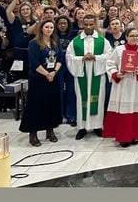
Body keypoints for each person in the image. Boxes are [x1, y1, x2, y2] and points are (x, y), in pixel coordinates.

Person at [103, 27, 138, 147]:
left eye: (137, 36)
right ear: (126, 37)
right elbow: (110, 64)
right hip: (122, 85)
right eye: (132, 36)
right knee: (123, 110)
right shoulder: (119, 50)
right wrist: (115, 74)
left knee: (135, 110)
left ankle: (135, 135)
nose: (134, 38)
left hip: (135, 84)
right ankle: (123, 137)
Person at [66, 14, 112, 140]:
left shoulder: (103, 40)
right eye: (86, 24)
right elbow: (69, 58)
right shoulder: (75, 42)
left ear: (95, 24)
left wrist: (95, 57)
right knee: (82, 99)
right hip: (82, 75)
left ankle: (97, 126)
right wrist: (82, 58)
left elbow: (109, 56)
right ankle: (82, 127)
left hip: (97, 74)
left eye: (91, 24)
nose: (88, 27)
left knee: (98, 99)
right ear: (82, 24)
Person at [19, 19, 63, 147]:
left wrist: (54, 72)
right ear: (41, 28)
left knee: (51, 104)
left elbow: (60, 58)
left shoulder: (55, 42)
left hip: (53, 78)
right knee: (36, 106)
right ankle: (33, 134)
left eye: (51, 27)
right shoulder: (34, 43)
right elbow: (34, 63)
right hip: (39, 78)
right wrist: (47, 74)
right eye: (46, 27)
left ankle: (50, 130)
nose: (49, 29)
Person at [55, 16, 77, 126]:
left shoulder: (74, 34)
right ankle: (58, 116)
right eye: (60, 23)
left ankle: (71, 116)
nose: (62, 25)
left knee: (71, 91)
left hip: (71, 65)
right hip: (57, 66)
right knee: (58, 90)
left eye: (65, 23)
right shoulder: (53, 35)